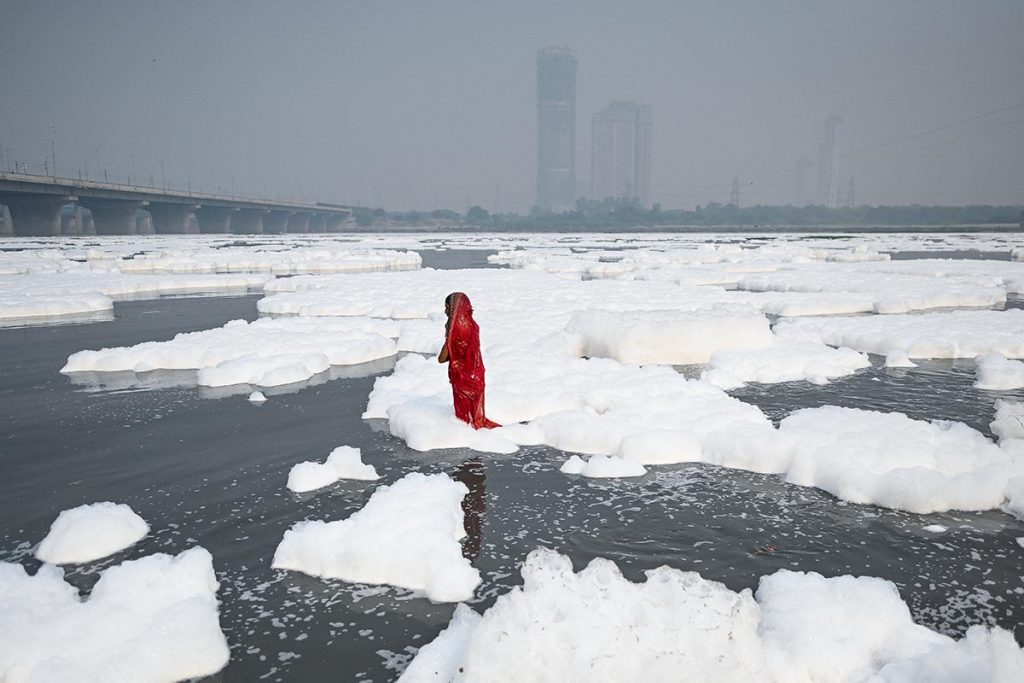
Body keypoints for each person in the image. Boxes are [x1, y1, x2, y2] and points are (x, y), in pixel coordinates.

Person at [438, 292, 500, 429]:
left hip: (462, 380)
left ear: (454, 307)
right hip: (476, 376)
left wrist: (448, 337)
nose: (445, 311)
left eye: (447, 307)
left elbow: (441, 359)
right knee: (476, 420)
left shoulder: (455, 330)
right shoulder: (472, 325)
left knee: (465, 423)